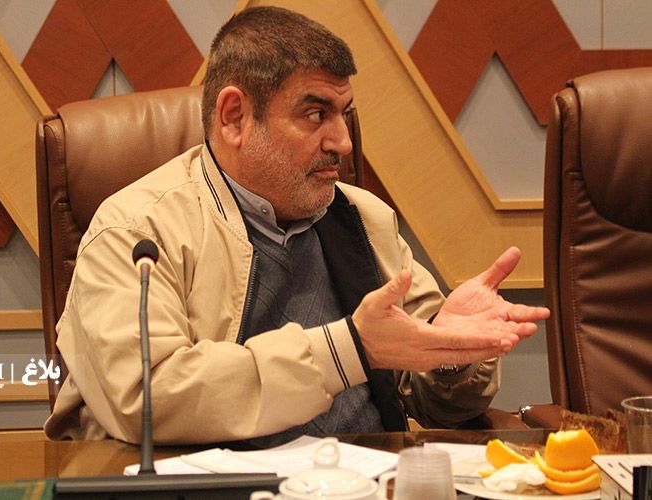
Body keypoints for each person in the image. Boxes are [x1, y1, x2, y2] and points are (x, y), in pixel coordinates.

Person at [44, 6, 549, 446]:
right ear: (234, 117)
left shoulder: (363, 218)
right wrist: (349, 349)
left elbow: (437, 405)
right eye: (315, 114)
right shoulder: (136, 231)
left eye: (344, 114)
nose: (342, 142)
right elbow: (147, 398)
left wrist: (450, 353)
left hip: (365, 480)